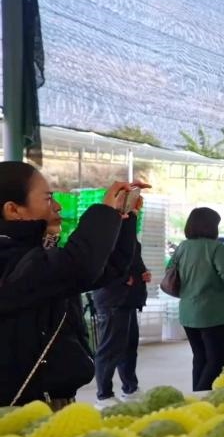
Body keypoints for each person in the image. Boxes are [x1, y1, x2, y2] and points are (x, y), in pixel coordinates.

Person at [1, 163, 141, 409]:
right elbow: (78, 266)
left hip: (50, 397)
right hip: (25, 407)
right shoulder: (7, 259)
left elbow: (107, 269)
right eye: (48, 198)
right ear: (13, 209)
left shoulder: (33, 254)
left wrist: (124, 217)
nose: (57, 206)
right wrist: (104, 211)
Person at [171, 208, 224, 390]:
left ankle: (196, 396)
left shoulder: (182, 247)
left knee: (200, 358)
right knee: (216, 360)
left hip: (187, 312)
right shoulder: (215, 248)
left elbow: (171, 272)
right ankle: (201, 396)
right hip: (211, 313)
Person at [92, 241, 150, 403]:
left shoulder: (129, 237)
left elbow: (133, 262)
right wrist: (123, 279)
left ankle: (130, 389)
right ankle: (104, 395)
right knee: (109, 349)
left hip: (129, 300)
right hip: (113, 300)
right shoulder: (106, 236)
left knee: (129, 348)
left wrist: (143, 274)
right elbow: (98, 269)